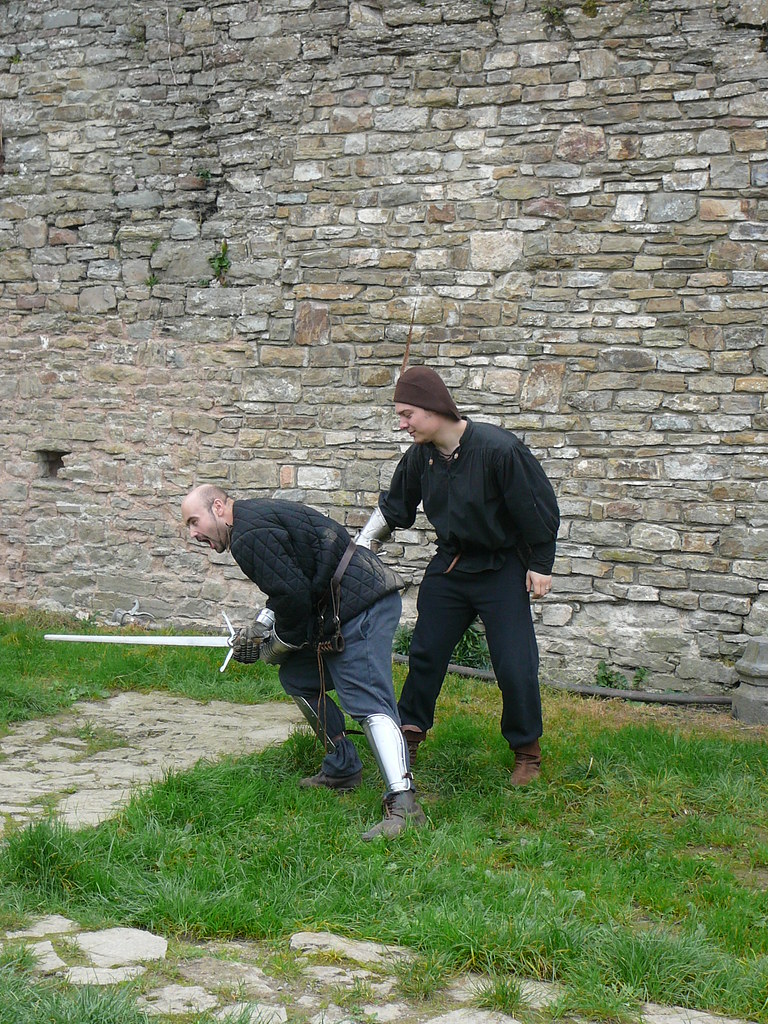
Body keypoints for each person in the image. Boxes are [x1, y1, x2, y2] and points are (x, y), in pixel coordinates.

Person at [181, 484, 427, 840]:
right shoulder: (252, 521)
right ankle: (343, 767)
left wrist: (269, 649)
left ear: (218, 507)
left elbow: (294, 598)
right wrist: (260, 627)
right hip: (341, 606)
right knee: (298, 675)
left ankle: (404, 803)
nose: (193, 533)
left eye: (194, 521)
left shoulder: (249, 535)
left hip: (363, 605)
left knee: (366, 698)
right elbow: (290, 585)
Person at [355, 365, 560, 786]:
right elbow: (396, 508)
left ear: (434, 409)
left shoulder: (499, 450)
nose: (402, 423)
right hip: (449, 568)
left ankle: (527, 752)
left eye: (408, 413)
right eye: (400, 414)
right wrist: (359, 548)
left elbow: (538, 508)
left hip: (502, 569)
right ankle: (408, 738)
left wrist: (540, 564)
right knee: (425, 653)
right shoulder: (421, 457)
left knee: (514, 662)